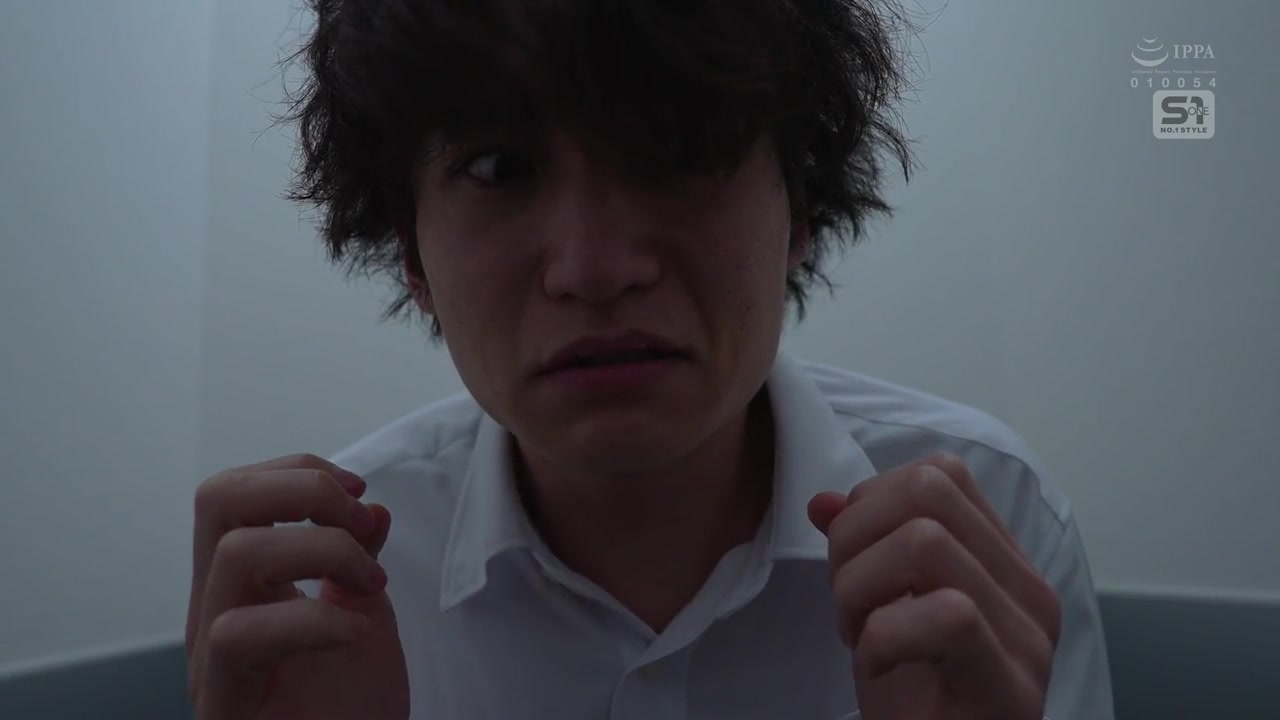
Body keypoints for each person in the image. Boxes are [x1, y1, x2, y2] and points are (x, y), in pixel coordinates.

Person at [184, 1, 1115, 718]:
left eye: (679, 151)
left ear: (798, 209)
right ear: (412, 255)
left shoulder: (984, 523)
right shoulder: (327, 590)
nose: (596, 269)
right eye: (501, 169)